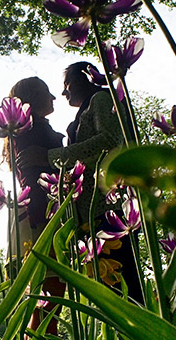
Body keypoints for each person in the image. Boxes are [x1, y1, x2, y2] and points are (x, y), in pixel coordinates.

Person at [47, 61, 144, 302]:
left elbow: (109, 140)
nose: (64, 92)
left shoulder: (101, 99)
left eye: (68, 83)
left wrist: (54, 157)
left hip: (107, 205)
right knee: (108, 284)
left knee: (122, 280)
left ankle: (136, 323)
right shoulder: (89, 107)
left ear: (86, 77)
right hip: (91, 209)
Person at [4, 76, 65, 334]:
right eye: (47, 92)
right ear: (33, 97)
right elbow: (39, 176)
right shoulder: (33, 130)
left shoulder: (22, 131)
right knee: (50, 295)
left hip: (32, 211)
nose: (54, 97)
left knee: (45, 298)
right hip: (40, 213)